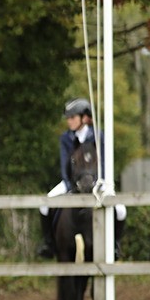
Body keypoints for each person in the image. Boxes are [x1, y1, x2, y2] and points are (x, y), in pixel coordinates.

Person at [37, 98, 127, 259]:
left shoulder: (98, 136)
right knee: (44, 205)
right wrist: (69, 184)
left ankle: (115, 245)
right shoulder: (65, 138)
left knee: (120, 209)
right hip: (71, 183)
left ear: (84, 118)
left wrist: (101, 181)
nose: (69, 121)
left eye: (72, 118)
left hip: (99, 182)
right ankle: (49, 243)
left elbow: (105, 161)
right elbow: (64, 162)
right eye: (68, 118)